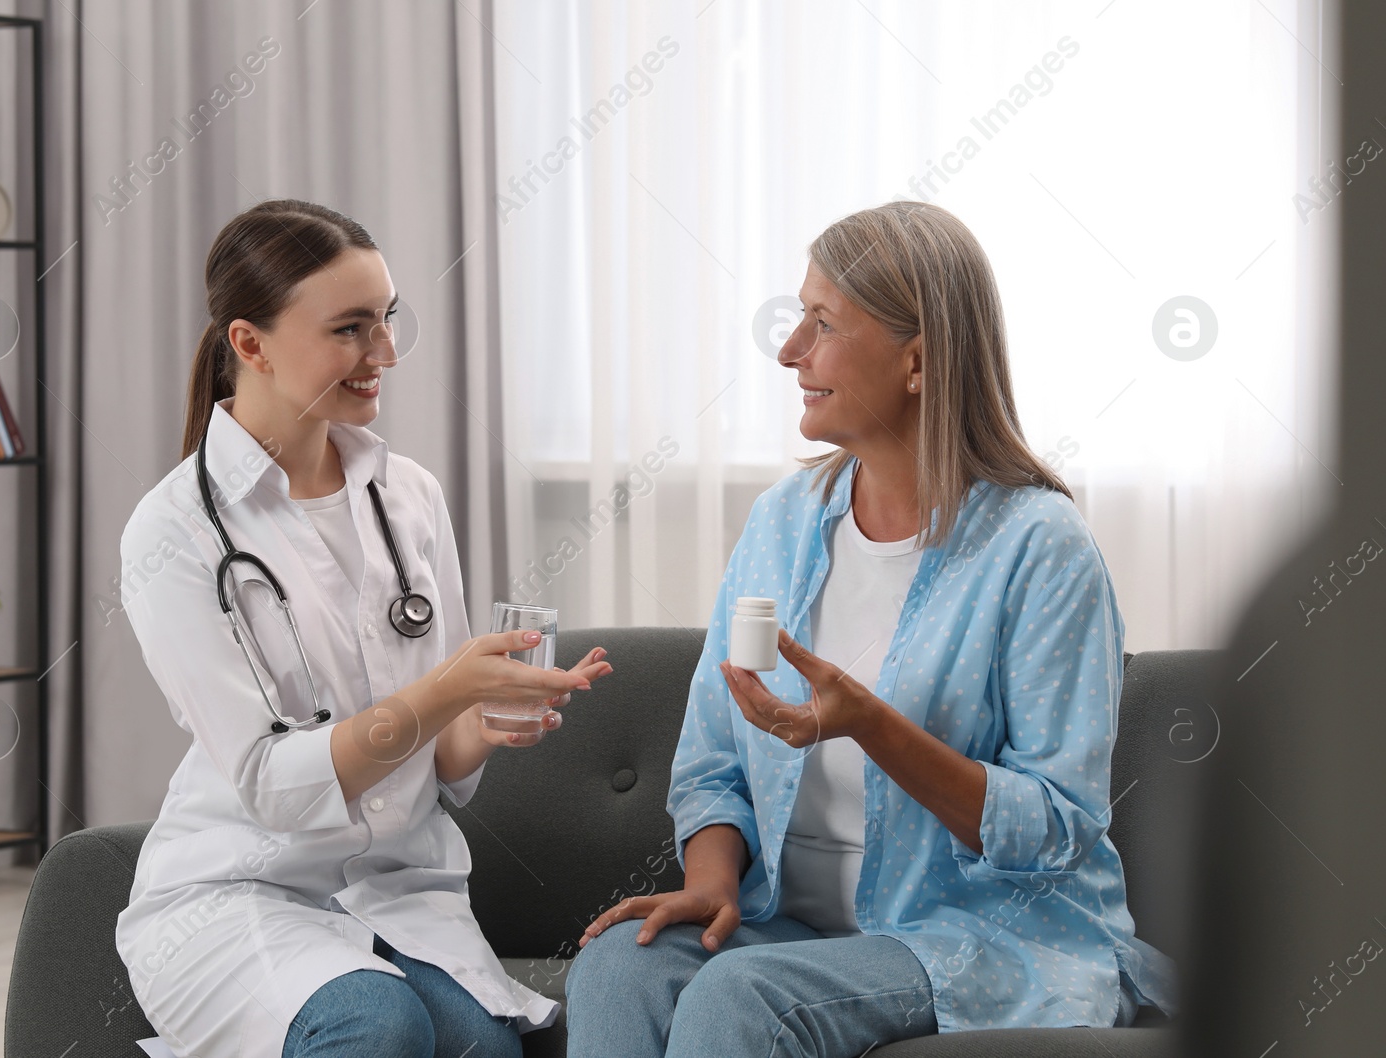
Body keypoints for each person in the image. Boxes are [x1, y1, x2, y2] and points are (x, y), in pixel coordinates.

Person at [565, 201, 1177, 1057]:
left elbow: (1056, 824)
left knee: (743, 997)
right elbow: (712, 758)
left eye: (821, 324)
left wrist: (873, 725)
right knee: (616, 971)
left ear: (918, 359)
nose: (789, 353)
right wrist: (711, 881)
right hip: (794, 929)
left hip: (982, 938)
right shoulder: (784, 522)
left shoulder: (1040, 548)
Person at [114, 200, 612, 1058]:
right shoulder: (174, 533)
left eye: (387, 320)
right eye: (350, 328)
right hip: (241, 891)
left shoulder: (408, 496)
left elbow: (441, 763)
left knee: (484, 1051)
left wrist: (486, 716)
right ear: (250, 344)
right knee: (374, 1029)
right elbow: (273, 783)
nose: (383, 353)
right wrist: (449, 686)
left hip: (394, 889)